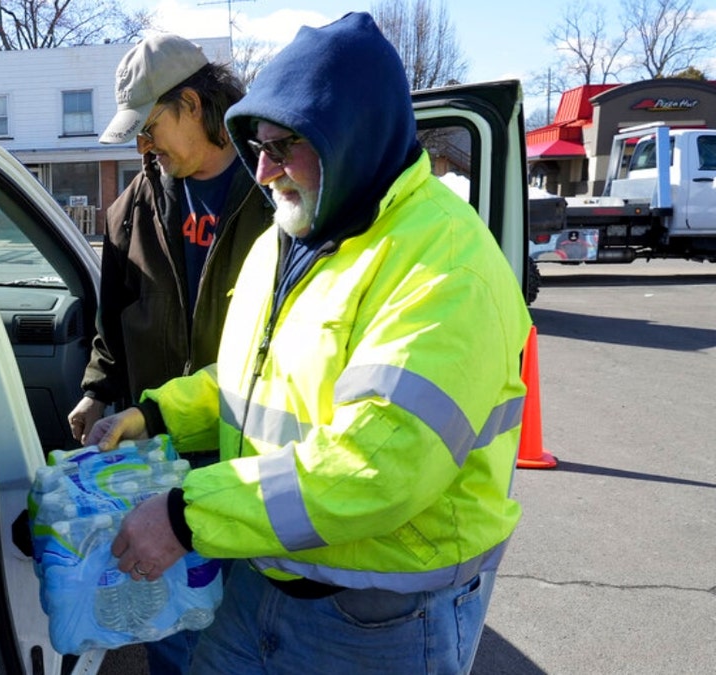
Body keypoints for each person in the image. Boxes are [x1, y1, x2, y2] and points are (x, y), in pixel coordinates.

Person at [87, 13, 532, 674]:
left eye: (285, 144)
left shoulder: (446, 266)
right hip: (262, 581)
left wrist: (184, 518)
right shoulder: (291, 235)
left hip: (378, 618)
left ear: (353, 136)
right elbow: (252, 377)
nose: (263, 170)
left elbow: (376, 465)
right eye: (258, 144)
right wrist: (155, 413)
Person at [66, 34, 272, 674]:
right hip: (158, 458)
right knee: (172, 626)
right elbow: (114, 317)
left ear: (192, 104)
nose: (143, 146)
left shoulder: (275, 196)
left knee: (248, 629)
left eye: (150, 126)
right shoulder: (129, 210)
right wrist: (98, 387)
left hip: (249, 459)